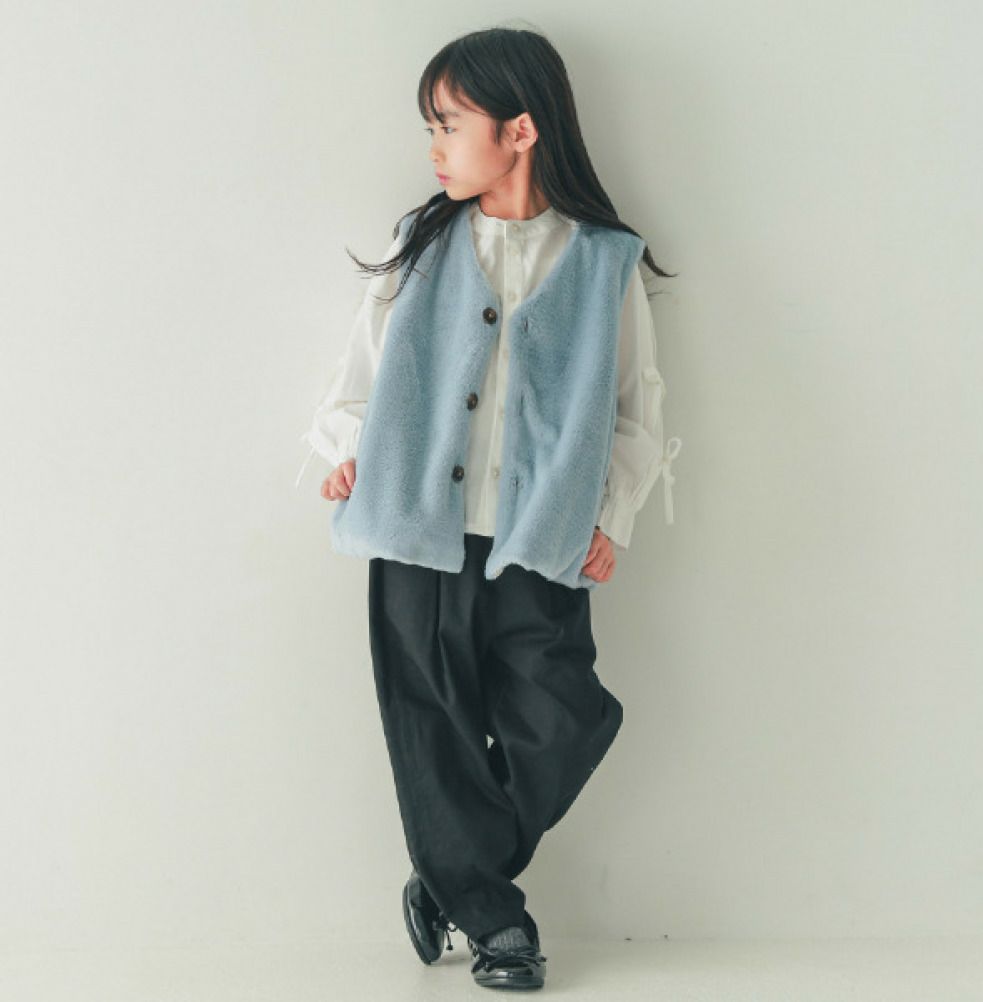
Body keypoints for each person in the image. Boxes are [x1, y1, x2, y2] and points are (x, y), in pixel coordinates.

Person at [295, 26, 682, 991]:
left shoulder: (605, 260)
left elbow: (637, 407)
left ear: (520, 129)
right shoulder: (422, 243)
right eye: (431, 126)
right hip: (414, 527)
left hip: (540, 535)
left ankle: (451, 872)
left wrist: (614, 515)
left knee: (567, 716)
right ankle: (499, 925)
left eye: (448, 123)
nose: (433, 145)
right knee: (431, 724)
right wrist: (347, 454)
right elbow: (359, 379)